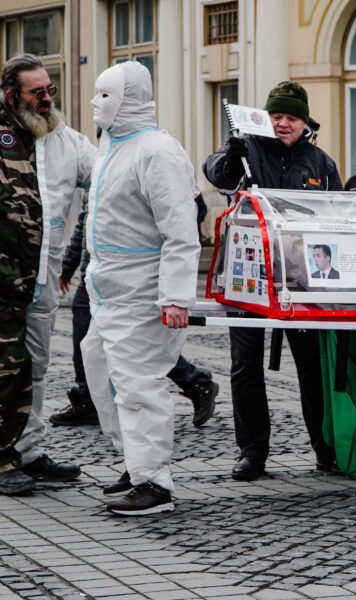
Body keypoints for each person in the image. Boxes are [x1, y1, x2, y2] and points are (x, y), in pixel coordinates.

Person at [204, 80, 341, 481]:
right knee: (245, 366)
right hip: (247, 275)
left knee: (312, 367)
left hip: (300, 278)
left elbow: (336, 215)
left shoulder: (320, 162)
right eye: (277, 116)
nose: (283, 124)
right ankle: (252, 451)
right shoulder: (247, 149)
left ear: (304, 122)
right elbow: (216, 172)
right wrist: (231, 157)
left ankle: (325, 447)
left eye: (291, 118)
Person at [81, 61, 200, 514]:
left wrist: (174, 296)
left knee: (138, 385)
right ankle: (135, 463)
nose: (96, 103)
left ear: (129, 99)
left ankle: (155, 483)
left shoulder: (156, 151)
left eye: (105, 95)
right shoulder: (110, 147)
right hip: (108, 291)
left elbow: (180, 230)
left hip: (143, 292)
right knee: (100, 371)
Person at [52, 190, 218, 428]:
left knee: (138, 343)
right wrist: (69, 266)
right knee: (90, 339)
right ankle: (87, 398)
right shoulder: (103, 161)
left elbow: (184, 220)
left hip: (133, 275)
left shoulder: (156, 158)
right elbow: (86, 220)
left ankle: (195, 382)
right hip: (98, 274)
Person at [1, 54, 88, 494]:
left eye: (50, 89)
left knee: (34, 367)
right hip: (2, 282)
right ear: (12, 96)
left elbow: (106, 177)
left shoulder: (64, 139)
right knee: (4, 371)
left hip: (41, 281)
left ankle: (29, 452)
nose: (48, 98)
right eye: (38, 92)